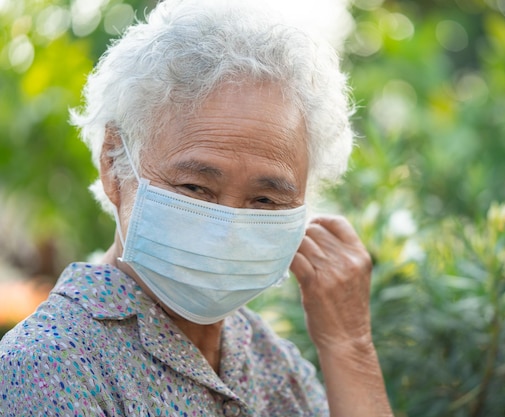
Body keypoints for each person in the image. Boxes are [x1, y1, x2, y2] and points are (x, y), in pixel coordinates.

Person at [0, 0, 393, 416]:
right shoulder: (50, 365)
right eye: (196, 187)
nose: (228, 227)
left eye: (265, 199)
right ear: (115, 164)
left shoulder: (267, 361)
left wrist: (349, 346)